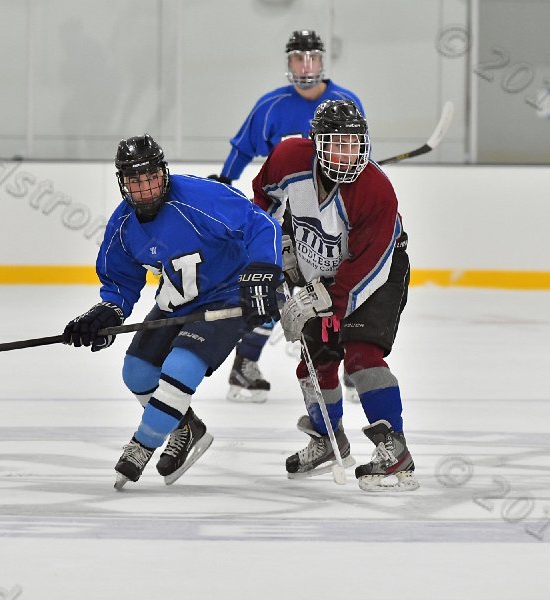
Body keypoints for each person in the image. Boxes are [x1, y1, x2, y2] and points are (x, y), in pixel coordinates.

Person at [63, 134, 282, 489]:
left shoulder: (199, 198)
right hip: (179, 300)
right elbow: (120, 283)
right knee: (136, 373)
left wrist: (262, 272)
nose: (146, 189)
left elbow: (261, 224)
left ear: (164, 173)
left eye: (151, 178)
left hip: (228, 296)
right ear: (123, 184)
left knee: (181, 367)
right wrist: (104, 313)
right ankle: (186, 428)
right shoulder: (123, 227)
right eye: (136, 181)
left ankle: (142, 444)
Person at [253, 99, 418, 491]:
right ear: (316, 143)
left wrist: (327, 299)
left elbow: (369, 264)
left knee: (361, 355)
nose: (347, 153)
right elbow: (262, 204)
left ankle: (395, 451)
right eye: (336, 143)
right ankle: (328, 439)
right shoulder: (289, 157)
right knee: (315, 359)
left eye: (353, 143)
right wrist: (277, 250)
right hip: (320, 277)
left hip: (375, 275)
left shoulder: (375, 190)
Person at [210, 30, 364, 404]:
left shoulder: (345, 102)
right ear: (289, 63)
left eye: (312, 58)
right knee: (270, 289)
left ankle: (351, 368)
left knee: (339, 291)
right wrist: (225, 184)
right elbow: (243, 147)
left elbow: (359, 156)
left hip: (328, 218)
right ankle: (244, 365)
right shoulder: (271, 107)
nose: (306, 66)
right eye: (298, 58)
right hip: (282, 217)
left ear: (323, 61)